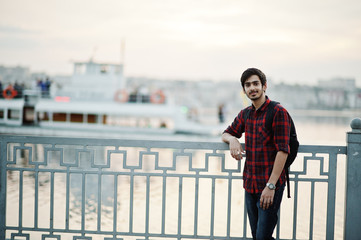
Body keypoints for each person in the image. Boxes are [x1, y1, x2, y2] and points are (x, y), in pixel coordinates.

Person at [222, 68, 291, 240]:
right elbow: (226, 133)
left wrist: (271, 186)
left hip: (269, 184)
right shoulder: (246, 114)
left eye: (255, 84)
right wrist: (233, 140)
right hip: (250, 184)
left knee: (261, 236)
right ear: (244, 89)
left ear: (264, 86)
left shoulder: (277, 112)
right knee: (258, 236)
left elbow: (283, 150)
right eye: (247, 85)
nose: (252, 88)